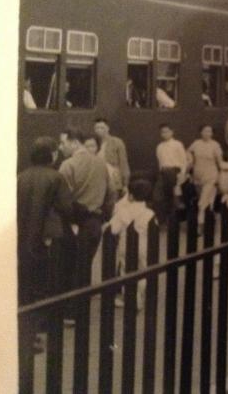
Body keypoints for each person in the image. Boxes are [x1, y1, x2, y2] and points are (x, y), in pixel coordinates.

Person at [18, 137, 74, 347]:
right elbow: (66, 208)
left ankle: (26, 333)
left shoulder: (21, 176)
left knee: (26, 283)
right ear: (51, 155)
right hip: (47, 239)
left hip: (24, 237)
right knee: (47, 282)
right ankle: (41, 327)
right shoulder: (56, 177)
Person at [58, 128, 115, 296]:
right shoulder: (101, 163)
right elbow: (111, 193)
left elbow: (62, 198)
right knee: (85, 264)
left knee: (70, 265)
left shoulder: (67, 165)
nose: (61, 147)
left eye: (63, 143)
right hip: (95, 221)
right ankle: (82, 306)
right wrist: (105, 215)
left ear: (75, 142)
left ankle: (71, 311)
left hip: (74, 223)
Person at [107, 178, 155, 309]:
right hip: (144, 247)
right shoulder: (150, 213)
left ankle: (130, 297)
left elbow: (113, 229)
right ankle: (139, 295)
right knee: (143, 270)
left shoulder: (123, 211)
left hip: (126, 247)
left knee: (125, 272)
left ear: (131, 196)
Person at [188, 124, 223, 224]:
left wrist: (220, 177)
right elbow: (188, 152)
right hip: (198, 176)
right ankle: (209, 221)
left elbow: (220, 162)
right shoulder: (196, 143)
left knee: (202, 203)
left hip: (211, 175)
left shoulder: (215, 145)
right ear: (201, 132)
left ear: (212, 133)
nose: (207, 133)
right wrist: (190, 159)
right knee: (208, 201)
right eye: (205, 131)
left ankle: (200, 226)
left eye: (209, 131)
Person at [154, 123, 188, 223]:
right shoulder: (159, 146)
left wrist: (181, 174)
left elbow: (183, 161)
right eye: (162, 132)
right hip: (163, 173)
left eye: (167, 131)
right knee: (158, 196)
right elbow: (160, 162)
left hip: (174, 172)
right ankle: (162, 220)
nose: (165, 134)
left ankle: (174, 222)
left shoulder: (178, 144)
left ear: (172, 132)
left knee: (174, 197)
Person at [94, 118, 131, 197]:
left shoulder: (117, 142)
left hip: (113, 179)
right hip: (98, 180)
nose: (99, 130)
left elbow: (123, 163)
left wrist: (125, 184)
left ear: (108, 128)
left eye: (102, 127)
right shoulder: (93, 143)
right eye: (97, 128)